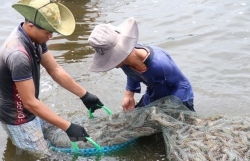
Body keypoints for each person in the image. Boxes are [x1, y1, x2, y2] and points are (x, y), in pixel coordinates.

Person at [0, 0, 104, 152]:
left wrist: (85, 95)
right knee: (44, 155)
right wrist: (67, 127)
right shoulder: (18, 55)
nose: (51, 36)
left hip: (30, 105)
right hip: (18, 117)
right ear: (30, 26)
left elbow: (54, 69)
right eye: (48, 32)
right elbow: (29, 103)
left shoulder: (35, 38)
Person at [87, 17, 195, 112]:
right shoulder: (124, 60)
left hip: (179, 94)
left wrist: (171, 109)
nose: (111, 63)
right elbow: (131, 73)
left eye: (110, 58)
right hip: (154, 92)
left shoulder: (159, 64)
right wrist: (129, 94)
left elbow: (182, 84)